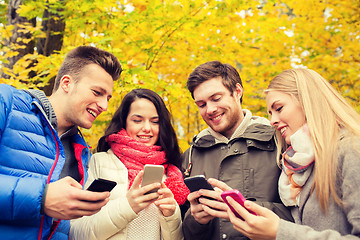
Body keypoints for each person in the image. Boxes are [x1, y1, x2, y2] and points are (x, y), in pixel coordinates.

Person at [0, 46, 122, 239]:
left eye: (107, 97)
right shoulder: (6, 102)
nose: (104, 106)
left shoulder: (82, 154)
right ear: (66, 83)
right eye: (97, 92)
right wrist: (42, 198)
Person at [225, 68, 360, 239]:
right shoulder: (296, 165)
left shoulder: (351, 149)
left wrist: (279, 232)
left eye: (279, 108)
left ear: (308, 101)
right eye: (270, 113)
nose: (272, 120)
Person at [181, 61, 292, 240]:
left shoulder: (280, 141)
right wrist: (197, 220)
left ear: (237, 91)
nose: (210, 109)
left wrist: (242, 208)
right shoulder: (191, 155)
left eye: (216, 99)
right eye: (201, 104)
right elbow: (185, 233)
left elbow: (304, 217)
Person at [70, 88, 189, 240]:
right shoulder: (99, 162)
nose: (147, 128)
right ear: (124, 122)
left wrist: (171, 216)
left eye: (155, 121)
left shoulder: (172, 173)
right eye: (137, 120)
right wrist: (128, 206)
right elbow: (77, 233)